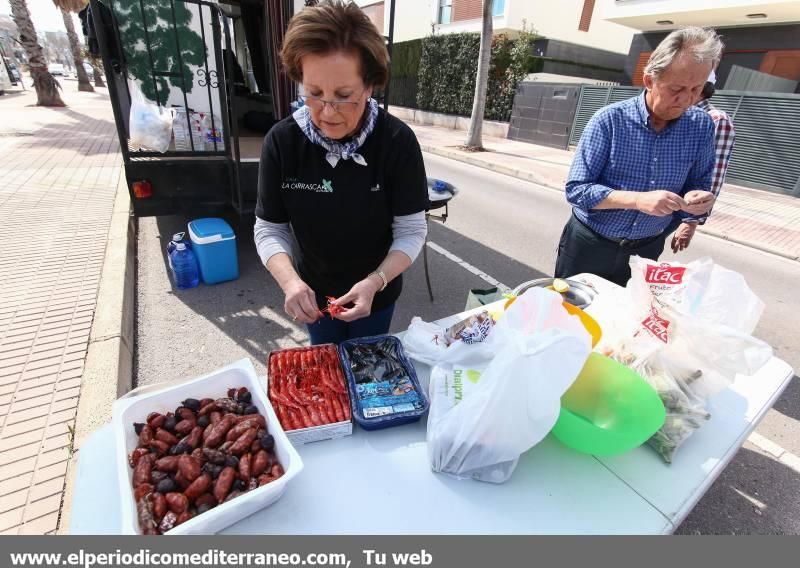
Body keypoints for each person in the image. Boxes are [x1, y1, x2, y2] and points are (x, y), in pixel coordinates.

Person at [253, 0, 429, 344]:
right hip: (313, 293)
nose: (327, 112)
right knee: (327, 366)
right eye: (314, 93)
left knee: (367, 363)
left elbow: (411, 229)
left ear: (369, 86)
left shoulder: (397, 142)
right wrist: (290, 282)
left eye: (344, 95)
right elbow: (269, 227)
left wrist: (376, 281)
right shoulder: (282, 142)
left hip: (377, 290)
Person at [554, 27, 723, 286]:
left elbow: (699, 182)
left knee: (626, 319)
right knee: (570, 313)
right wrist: (637, 200)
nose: (685, 99)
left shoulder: (701, 126)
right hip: (589, 244)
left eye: (696, 89)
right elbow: (577, 190)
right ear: (649, 80)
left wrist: (696, 198)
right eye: (676, 88)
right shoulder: (609, 120)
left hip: (647, 249)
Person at [670, 71, 736, 253]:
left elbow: (714, 173)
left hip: (679, 206)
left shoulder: (716, 119)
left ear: (699, 88)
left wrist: (691, 220)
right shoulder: (677, 115)